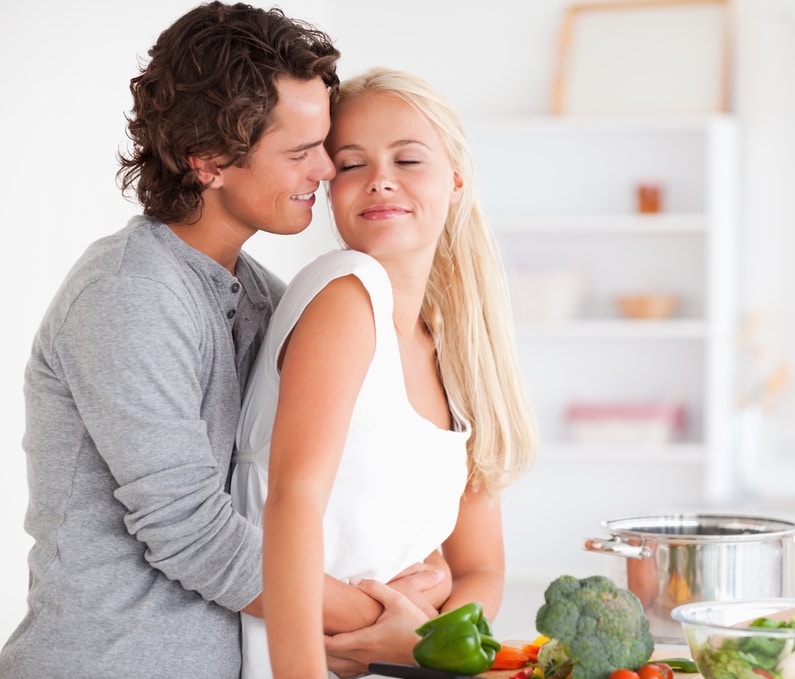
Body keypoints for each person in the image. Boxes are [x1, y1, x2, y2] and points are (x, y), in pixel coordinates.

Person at [0, 5, 438, 678]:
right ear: (207, 161)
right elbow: (193, 534)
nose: (326, 169)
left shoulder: (262, 296)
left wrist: (424, 580)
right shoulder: (129, 293)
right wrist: (378, 616)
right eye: (299, 152)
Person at [230, 67, 539, 679]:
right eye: (351, 164)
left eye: (409, 159)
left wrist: (425, 639)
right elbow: (292, 503)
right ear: (327, 184)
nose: (380, 182)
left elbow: (481, 569)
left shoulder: (455, 346)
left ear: (455, 178)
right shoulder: (347, 293)